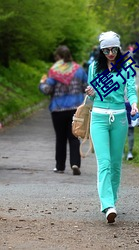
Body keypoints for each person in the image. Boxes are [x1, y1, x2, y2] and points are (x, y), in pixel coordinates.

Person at [85, 31, 139, 223]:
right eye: (106, 50)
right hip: (99, 118)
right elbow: (91, 96)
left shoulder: (127, 67)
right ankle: (107, 205)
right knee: (105, 163)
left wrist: (133, 104)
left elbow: (131, 90)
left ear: (118, 48)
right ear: (101, 50)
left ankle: (112, 201)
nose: (110, 53)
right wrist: (90, 91)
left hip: (120, 118)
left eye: (113, 49)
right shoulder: (94, 67)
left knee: (116, 164)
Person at [39, 45, 88, 175]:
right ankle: (75, 163)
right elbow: (87, 87)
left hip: (58, 109)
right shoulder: (79, 70)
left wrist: (42, 83)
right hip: (75, 109)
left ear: (58, 57)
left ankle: (60, 166)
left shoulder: (54, 71)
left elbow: (47, 90)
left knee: (60, 138)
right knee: (74, 137)